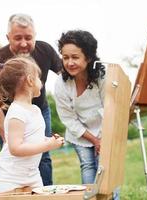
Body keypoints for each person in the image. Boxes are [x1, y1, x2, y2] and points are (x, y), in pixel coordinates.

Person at [0, 13, 62, 186]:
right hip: (9, 115)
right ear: (8, 37)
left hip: (38, 109)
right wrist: (8, 135)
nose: (24, 43)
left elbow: (66, 74)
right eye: (18, 38)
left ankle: (44, 192)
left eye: (28, 38)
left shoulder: (45, 50)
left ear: (35, 36)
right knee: (15, 153)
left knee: (42, 156)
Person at [0, 56, 64, 193]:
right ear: (30, 80)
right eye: (38, 78)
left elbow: (32, 139)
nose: (41, 82)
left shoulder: (35, 110)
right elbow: (15, 148)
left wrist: (50, 140)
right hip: (10, 179)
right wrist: (48, 145)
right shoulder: (16, 112)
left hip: (32, 176)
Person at [54, 30, 105, 184]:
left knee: (105, 167)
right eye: (65, 57)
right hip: (80, 133)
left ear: (88, 57)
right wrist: (94, 140)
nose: (70, 62)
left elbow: (110, 110)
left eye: (75, 57)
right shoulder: (61, 84)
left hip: (104, 129)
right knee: (88, 166)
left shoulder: (102, 78)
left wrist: (102, 139)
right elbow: (68, 119)